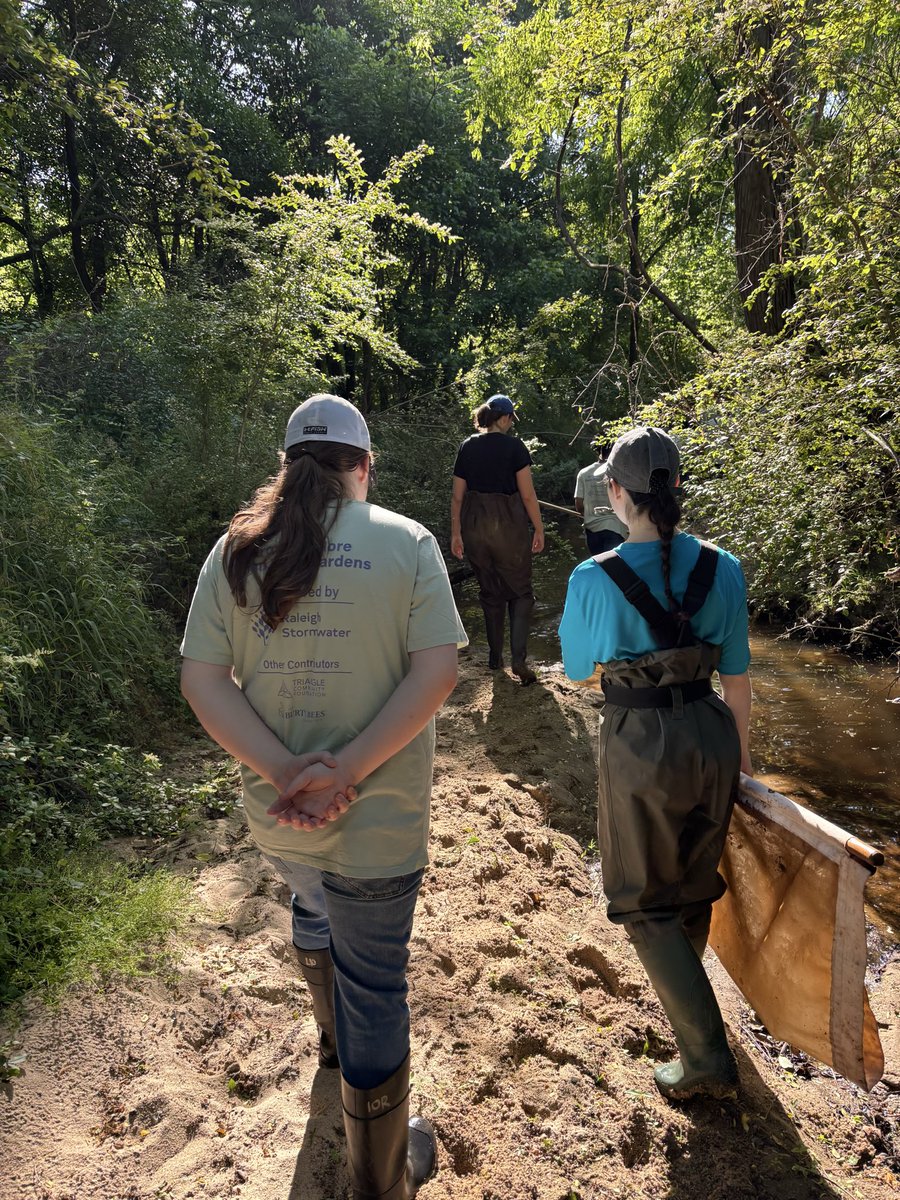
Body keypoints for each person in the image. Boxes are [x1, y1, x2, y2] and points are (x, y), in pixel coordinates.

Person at [180, 394, 467, 1199]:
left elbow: (202, 677)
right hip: (379, 822)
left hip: (280, 820)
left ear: (287, 466)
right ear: (362, 468)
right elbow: (436, 673)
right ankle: (383, 1178)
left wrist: (283, 771)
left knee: (313, 903)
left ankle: (333, 1051)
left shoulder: (234, 552)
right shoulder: (406, 542)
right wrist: (347, 773)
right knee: (377, 980)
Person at [558, 426, 753, 1102]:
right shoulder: (725, 566)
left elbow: (580, 671)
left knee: (641, 902)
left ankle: (705, 1055)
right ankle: (688, 1002)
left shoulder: (592, 576)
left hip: (642, 740)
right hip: (715, 735)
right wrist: (743, 768)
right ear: (676, 487)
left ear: (615, 492)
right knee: (695, 882)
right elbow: (739, 680)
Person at [450, 392, 544, 685]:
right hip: (508, 525)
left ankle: (494, 659)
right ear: (503, 418)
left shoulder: (467, 447)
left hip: (475, 525)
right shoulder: (515, 447)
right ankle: (518, 660)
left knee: (490, 592)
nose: (511, 425)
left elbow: (457, 497)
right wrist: (539, 528)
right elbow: (527, 495)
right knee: (520, 592)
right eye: (510, 419)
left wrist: (456, 533)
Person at [573, 441, 628, 554]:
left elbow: (579, 505)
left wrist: (589, 514)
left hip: (592, 529)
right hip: (616, 528)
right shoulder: (620, 472)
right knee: (614, 568)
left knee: (599, 567)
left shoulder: (583, 473)